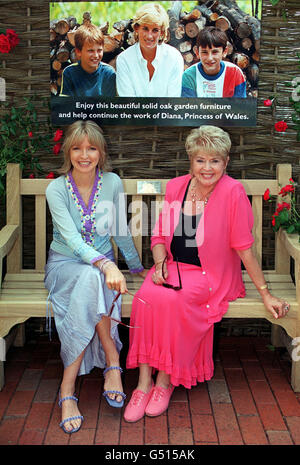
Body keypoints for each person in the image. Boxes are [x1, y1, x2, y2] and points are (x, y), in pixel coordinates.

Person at [123, 125, 290, 423]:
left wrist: (265, 293)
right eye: (200, 160)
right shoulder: (177, 187)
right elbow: (160, 236)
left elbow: (243, 248)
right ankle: (142, 384)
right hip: (173, 268)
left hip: (207, 275)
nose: (207, 167)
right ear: (190, 160)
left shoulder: (232, 193)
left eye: (215, 160)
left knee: (176, 302)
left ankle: (165, 381)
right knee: (145, 298)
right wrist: (160, 263)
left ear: (226, 163)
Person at [44, 120, 146, 434]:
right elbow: (72, 241)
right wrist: (107, 265)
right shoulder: (56, 189)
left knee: (94, 280)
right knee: (92, 278)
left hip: (101, 272)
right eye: (77, 148)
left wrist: (137, 267)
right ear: (68, 152)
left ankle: (69, 388)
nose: (84, 155)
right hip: (65, 265)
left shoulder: (113, 182)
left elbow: (119, 229)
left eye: (91, 148)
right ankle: (110, 360)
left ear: (101, 152)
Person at [116, 3, 184, 97]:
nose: (149, 36)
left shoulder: (174, 58)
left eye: (155, 30)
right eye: (145, 28)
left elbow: (173, 102)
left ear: (162, 32)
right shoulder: (124, 60)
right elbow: (128, 104)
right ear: (136, 28)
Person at [182, 27, 247, 98]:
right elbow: (188, 107)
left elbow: (240, 106)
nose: (210, 58)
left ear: (224, 52)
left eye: (215, 52)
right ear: (197, 53)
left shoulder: (235, 73)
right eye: (204, 52)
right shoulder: (189, 76)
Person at [59, 23, 116, 98]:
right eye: (90, 51)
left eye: (99, 50)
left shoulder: (108, 73)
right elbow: (66, 105)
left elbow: (109, 106)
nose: (96, 55)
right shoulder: (69, 73)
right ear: (78, 52)